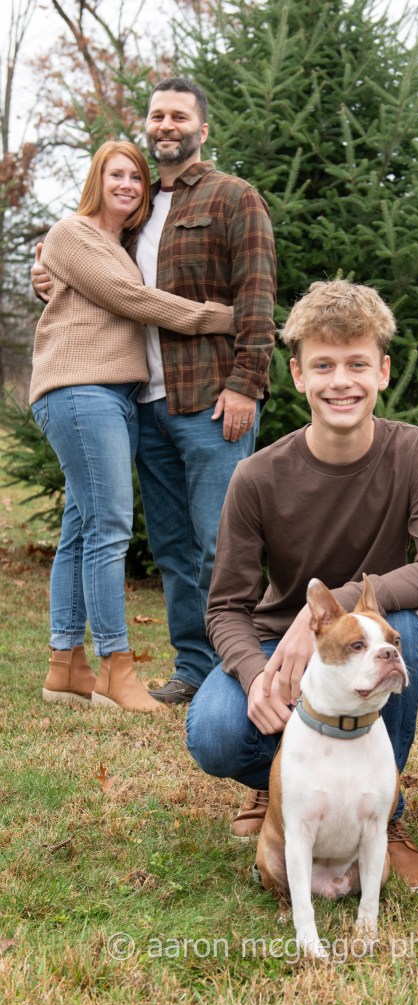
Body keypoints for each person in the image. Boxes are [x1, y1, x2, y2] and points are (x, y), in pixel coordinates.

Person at [185, 280, 418, 891]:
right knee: (214, 733)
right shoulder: (257, 476)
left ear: (383, 371)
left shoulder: (415, 452)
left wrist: (332, 609)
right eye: (324, 365)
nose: (342, 381)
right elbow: (226, 606)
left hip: (359, 636)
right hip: (277, 647)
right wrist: (253, 675)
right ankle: (281, 788)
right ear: (297, 375)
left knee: (401, 629)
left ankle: (383, 818)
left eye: (357, 363)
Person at [33, 77, 277, 706]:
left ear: (202, 129)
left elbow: (256, 296)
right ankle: (193, 669)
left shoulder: (233, 198)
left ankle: (237, 672)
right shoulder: (133, 215)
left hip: (212, 398)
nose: (166, 125)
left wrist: (246, 383)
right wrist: (45, 271)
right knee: (171, 547)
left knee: (221, 543)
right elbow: (101, 278)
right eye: (157, 115)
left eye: (179, 116)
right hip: (143, 404)